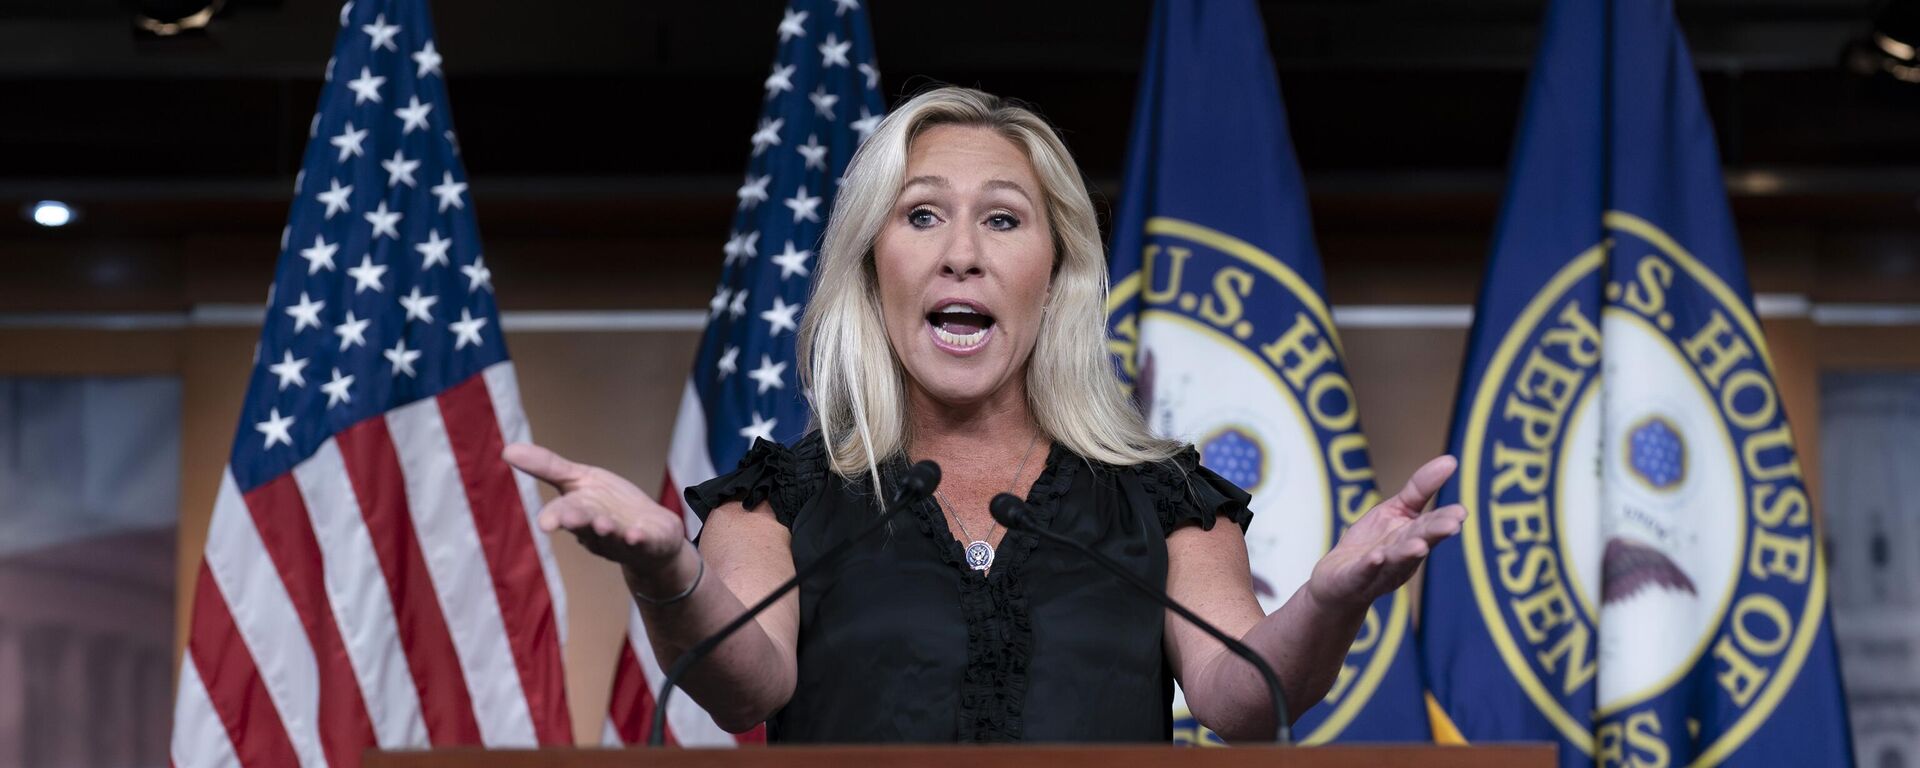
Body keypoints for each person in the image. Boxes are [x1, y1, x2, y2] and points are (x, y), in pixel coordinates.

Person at [503, 86, 1465, 743]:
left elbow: (1242, 695)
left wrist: (1331, 601)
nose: (961, 253)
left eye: (1003, 219)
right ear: (873, 268)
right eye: (921, 215)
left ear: (1054, 276)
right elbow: (745, 680)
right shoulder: (782, 499)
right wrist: (668, 567)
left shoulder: (1161, 501)